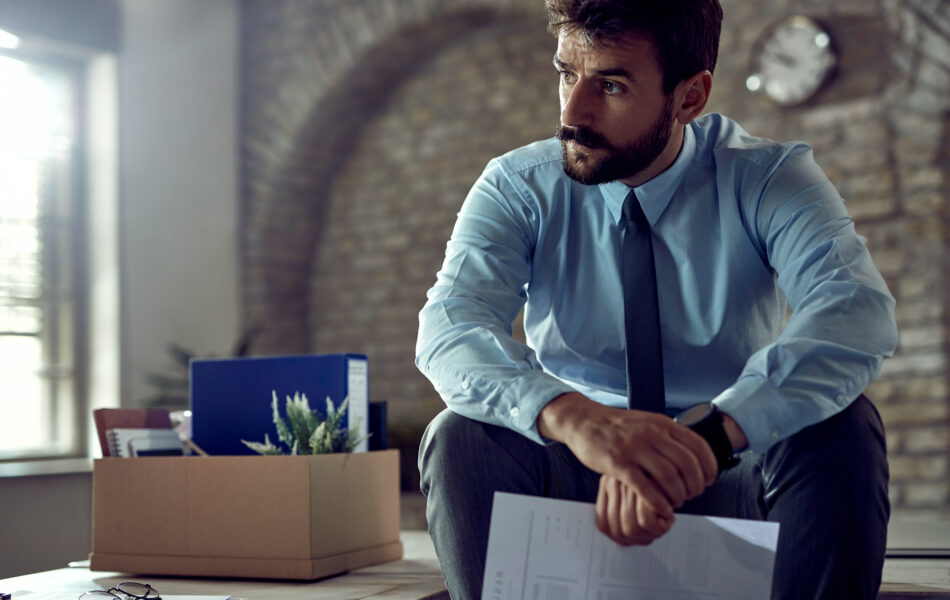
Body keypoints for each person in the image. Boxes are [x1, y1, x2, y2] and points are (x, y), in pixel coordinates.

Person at [415, 0, 898, 598]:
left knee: (843, 427)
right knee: (460, 437)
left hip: (725, 464)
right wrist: (583, 423)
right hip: (580, 468)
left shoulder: (768, 178)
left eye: (610, 85)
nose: (572, 113)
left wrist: (703, 441)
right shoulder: (518, 186)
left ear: (690, 97)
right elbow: (450, 329)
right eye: (567, 74)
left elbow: (853, 313)